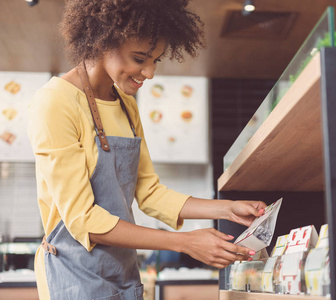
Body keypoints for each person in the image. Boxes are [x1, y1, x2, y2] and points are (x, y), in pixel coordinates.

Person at [27, 1, 267, 299]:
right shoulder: (55, 102)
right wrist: (184, 242)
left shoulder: (126, 106)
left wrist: (225, 208)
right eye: (140, 58)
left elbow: (149, 193)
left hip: (123, 271)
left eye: (156, 60)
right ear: (103, 40)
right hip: (73, 275)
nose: (150, 72)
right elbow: (84, 221)